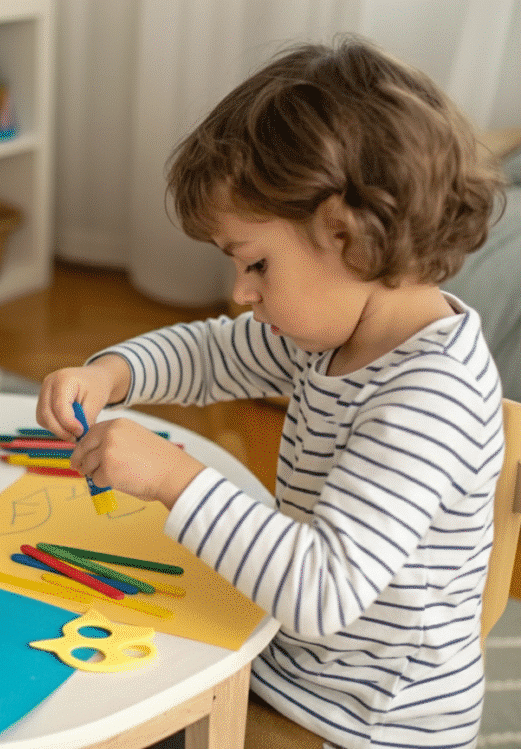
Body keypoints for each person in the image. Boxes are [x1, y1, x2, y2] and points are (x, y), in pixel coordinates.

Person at [36, 37, 505, 749]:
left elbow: (323, 590)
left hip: (365, 724)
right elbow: (211, 351)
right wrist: (112, 374)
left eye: (256, 263)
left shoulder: (429, 396)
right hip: (292, 666)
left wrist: (172, 476)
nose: (240, 293)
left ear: (346, 232)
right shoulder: (336, 330)